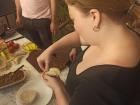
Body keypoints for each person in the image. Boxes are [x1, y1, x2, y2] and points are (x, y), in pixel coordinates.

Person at [37, 0, 140, 105]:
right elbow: (80, 37)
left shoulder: (97, 85)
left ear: (94, 17)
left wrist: (58, 88)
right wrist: (51, 49)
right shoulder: (124, 33)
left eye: (73, 20)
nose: (75, 26)